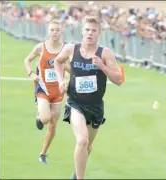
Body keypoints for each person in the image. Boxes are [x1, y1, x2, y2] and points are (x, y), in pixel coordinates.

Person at [54, 16, 122, 179]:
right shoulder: (71, 49)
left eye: (93, 30)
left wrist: (102, 66)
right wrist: (60, 80)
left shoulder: (105, 53)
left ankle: (76, 174)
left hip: (96, 106)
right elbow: (57, 61)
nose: (90, 33)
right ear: (82, 31)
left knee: (87, 146)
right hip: (75, 103)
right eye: (87, 30)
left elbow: (118, 80)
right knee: (82, 140)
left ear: (99, 33)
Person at [24, 19, 69, 164]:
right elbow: (27, 60)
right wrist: (31, 74)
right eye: (52, 30)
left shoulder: (66, 49)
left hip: (58, 92)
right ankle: (39, 116)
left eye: (57, 30)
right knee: (45, 119)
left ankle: (43, 154)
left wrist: (69, 76)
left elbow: (69, 67)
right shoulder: (40, 48)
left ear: (61, 31)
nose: (55, 32)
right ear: (48, 31)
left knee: (53, 124)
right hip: (43, 88)